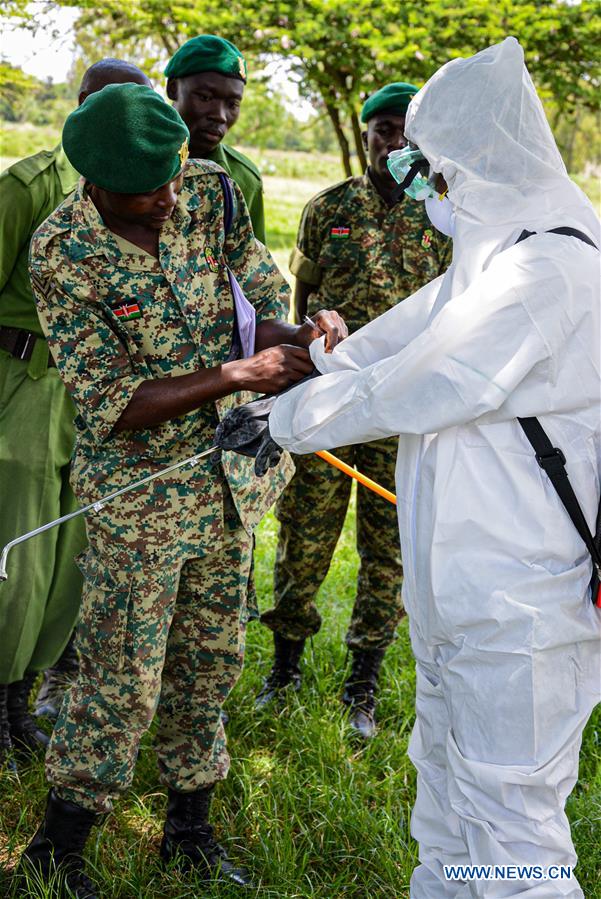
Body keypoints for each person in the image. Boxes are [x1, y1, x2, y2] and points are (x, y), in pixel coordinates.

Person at [221, 38, 601, 898]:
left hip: (522, 610)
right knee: (448, 802)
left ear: (477, 158)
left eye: (431, 166)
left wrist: (286, 420)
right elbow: (402, 334)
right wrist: (316, 372)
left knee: (512, 831)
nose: (421, 182)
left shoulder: (551, 265)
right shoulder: (497, 252)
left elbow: (433, 378)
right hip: (463, 596)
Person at [18, 83, 344, 897]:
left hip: (231, 477)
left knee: (211, 660)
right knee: (119, 675)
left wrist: (300, 330)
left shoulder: (205, 186)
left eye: (172, 176)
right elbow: (114, 403)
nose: (169, 198)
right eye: (147, 189)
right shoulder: (62, 253)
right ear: (95, 183)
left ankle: (189, 831)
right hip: (140, 499)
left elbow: (255, 290)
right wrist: (240, 371)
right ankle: (60, 846)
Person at [257, 82, 451, 738]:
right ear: (365, 132)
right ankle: (284, 667)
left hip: (400, 408)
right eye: (384, 130)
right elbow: (301, 298)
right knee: (304, 534)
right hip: (331, 399)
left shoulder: (443, 217)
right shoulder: (327, 209)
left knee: (389, 545)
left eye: (408, 133)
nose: (395, 143)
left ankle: (361, 683)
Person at [0, 59, 152, 767]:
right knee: (21, 559)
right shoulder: (29, 186)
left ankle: (21, 699)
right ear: (81, 108)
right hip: (25, 381)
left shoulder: (136, 187)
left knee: (67, 563)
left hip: (96, 394)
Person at [166, 34, 266, 243]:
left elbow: (253, 268)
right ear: (173, 88)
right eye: (205, 97)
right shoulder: (135, 158)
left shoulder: (243, 178)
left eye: (232, 104)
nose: (220, 115)